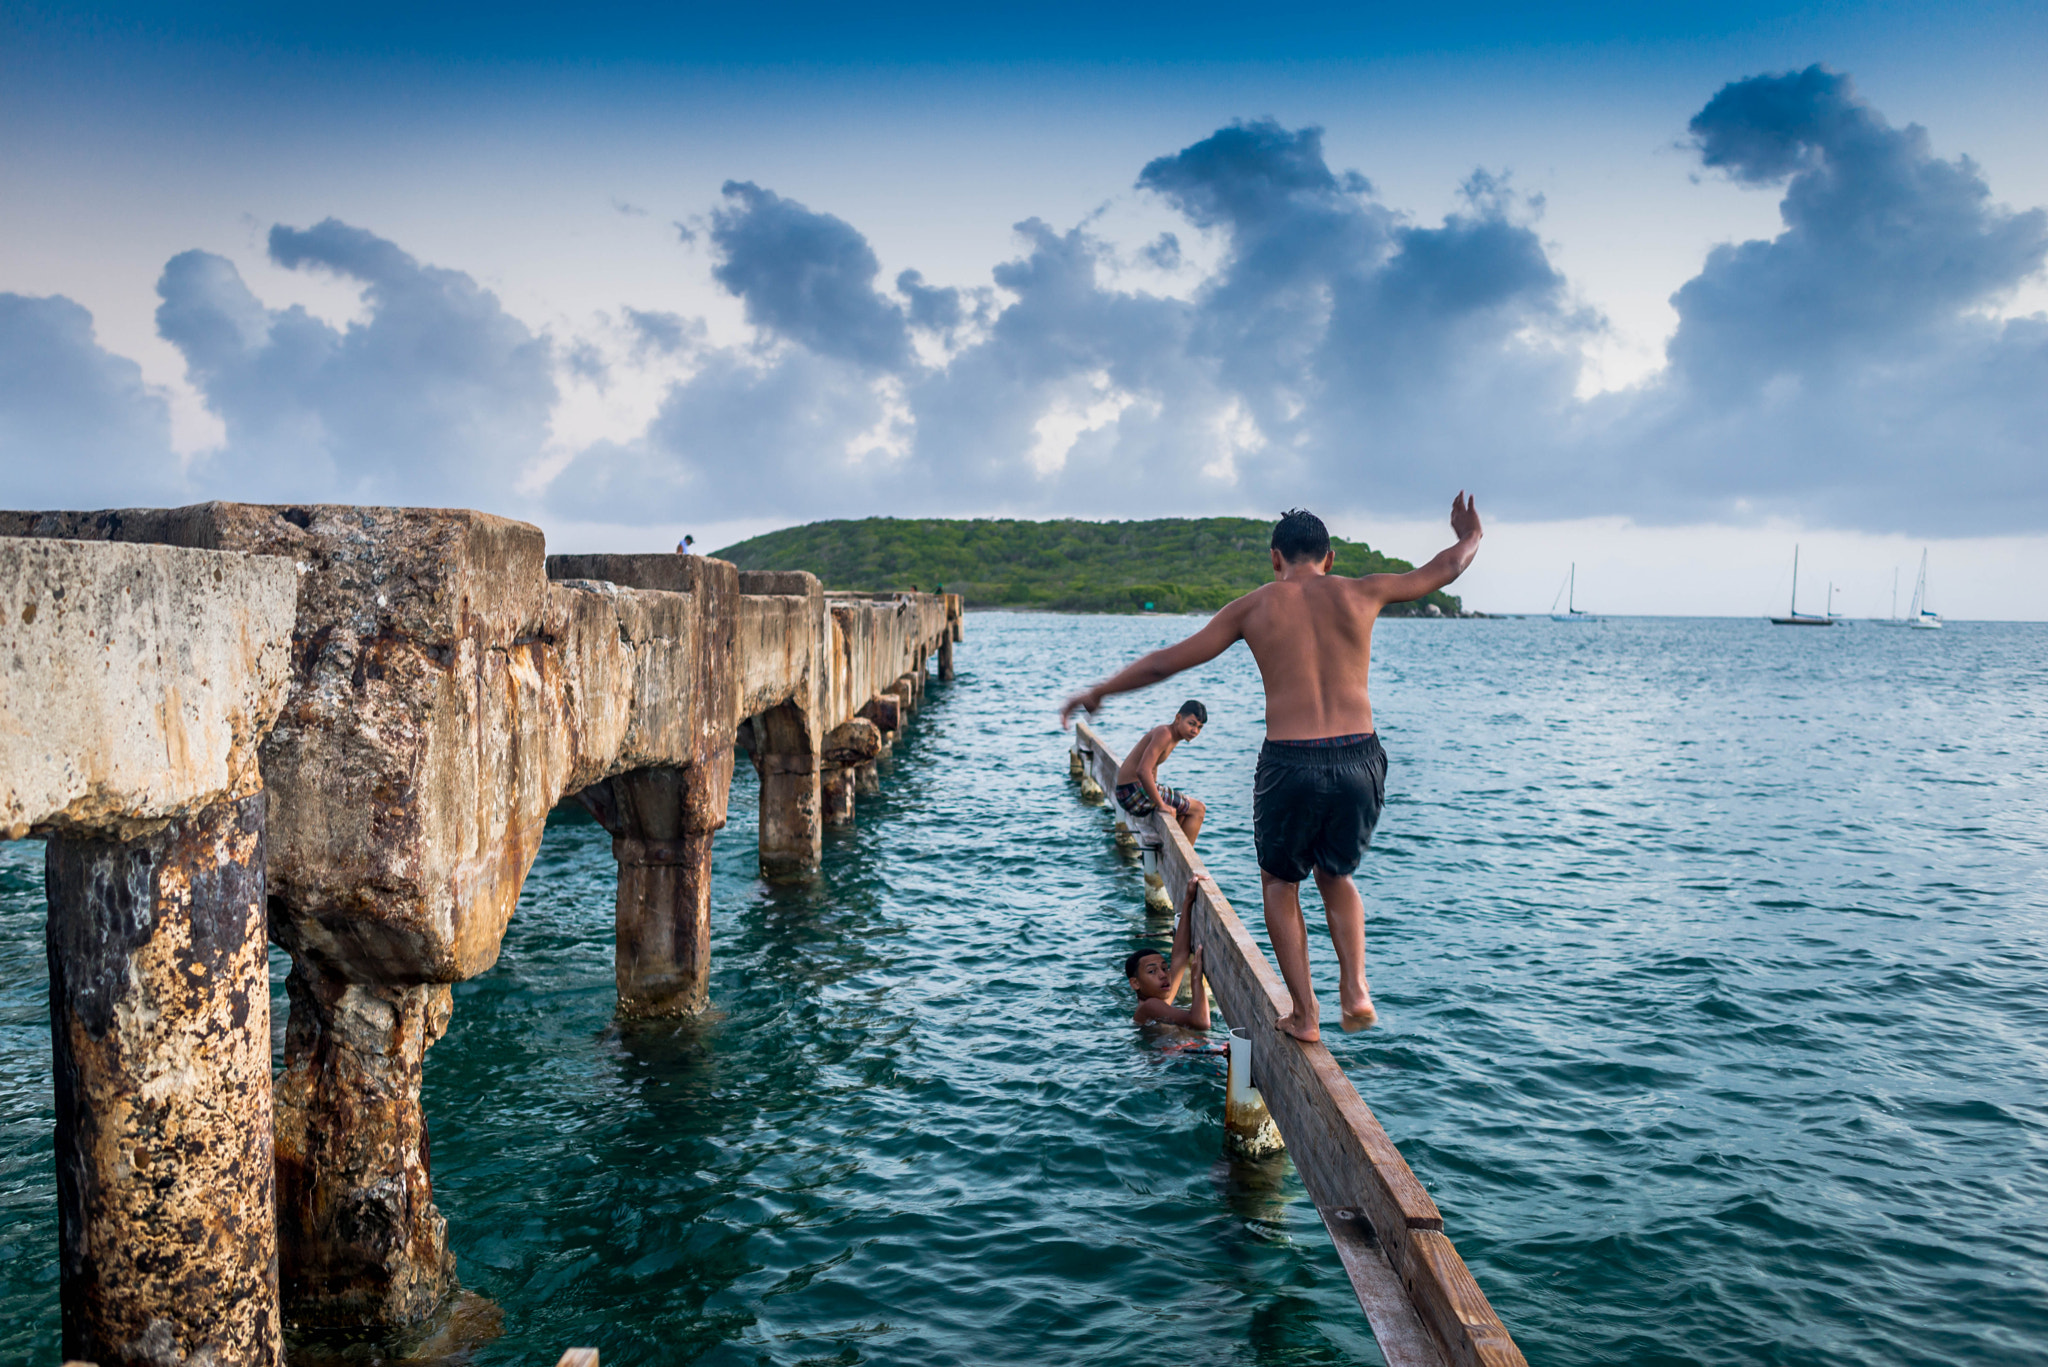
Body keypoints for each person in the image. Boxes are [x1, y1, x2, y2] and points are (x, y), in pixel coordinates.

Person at [1063, 496, 1483, 1042]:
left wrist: (1101, 690)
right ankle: (1355, 988)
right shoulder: (1363, 590)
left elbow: (1169, 659)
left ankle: (1306, 1015)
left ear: (1274, 558)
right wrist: (1472, 532)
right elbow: (1447, 567)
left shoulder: (1254, 607)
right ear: (1329, 558)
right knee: (1337, 874)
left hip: (1291, 761)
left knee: (1280, 883)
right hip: (1360, 756)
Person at [1113, 700, 1209, 843]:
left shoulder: (1171, 736)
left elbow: (1153, 766)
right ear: (1178, 718)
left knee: (1183, 812)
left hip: (1126, 792)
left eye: (1199, 727)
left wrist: (1157, 792)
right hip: (1133, 792)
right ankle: (1184, 862)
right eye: (1192, 723)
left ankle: (1173, 854)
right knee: (1198, 809)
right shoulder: (1165, 734)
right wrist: (1161, 804)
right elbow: (1143, 771)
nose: (1195, 731)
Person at [1127, 878, 1211, 1029]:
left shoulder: (1159, 1001)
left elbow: (1180, 955)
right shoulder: (1149, 1006)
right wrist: (1196, 977)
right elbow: (1201, 1023)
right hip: (1180, 1052)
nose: (1163, 975)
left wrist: (1188, 901)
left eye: (1165, 968)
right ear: (1135, 983)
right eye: (1152, 971)